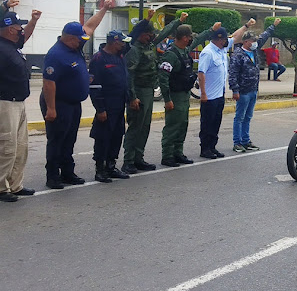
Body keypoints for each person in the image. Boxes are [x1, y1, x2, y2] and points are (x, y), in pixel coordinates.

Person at [40, 0, 113, 189]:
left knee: (69, 139)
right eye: (79, 39)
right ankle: (53, 176)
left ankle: (67, 172)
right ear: (69, 37)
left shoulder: (75, 45)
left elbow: (90, 26)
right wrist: (51, 109)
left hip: (73, 103)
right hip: (58, 103)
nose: (82, 40)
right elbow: (48, 84)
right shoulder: (55, 55)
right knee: (57, 139)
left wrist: (104, 8)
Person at [121, 10, 187, 174]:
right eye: (148, 34)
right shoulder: (134, 49)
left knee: (145, 126)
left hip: (149, 90)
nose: (151, 37)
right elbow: (129, 75)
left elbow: (164, 32)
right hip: (138, 92)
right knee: (136, 126)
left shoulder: (148, 45)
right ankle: (128, 161)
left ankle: (138, 158)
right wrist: (132, 97)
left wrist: (177, 22)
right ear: (141, 34)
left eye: (151, 35)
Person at [158, 20, 218, 167]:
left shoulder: (184, 50)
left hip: (184, 95)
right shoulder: (171, 55)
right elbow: (163, 77)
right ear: (184, 37)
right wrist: (167, 99)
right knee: (172, 126)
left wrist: (211, 29)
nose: (191, 39)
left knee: (182, 124)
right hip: (175, 95)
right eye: (189, 36)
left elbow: (198, 39)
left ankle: (178, 152)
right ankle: (167, 155)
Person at [0, 9, 40, 202]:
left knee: (20, 147)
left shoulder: (13, 46)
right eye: (19, 27)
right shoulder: (1, 49)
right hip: (5, 103)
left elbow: (27, 34)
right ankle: (1, 187)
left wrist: (34, 21)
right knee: (6, 147)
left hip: (19, 102)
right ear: (9, 30)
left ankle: (15, 185)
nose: (21, 30)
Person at [229, 18, 281, 153]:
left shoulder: (254, 51)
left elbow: (264, 36)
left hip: (253, 90)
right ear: (245, 42)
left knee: (248, 117)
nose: (255, 43)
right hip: (243, 91)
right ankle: (237, 142)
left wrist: (273, 26)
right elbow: (233, 73)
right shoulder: (238, 54)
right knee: (239, 117)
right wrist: (235, 90)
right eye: (252, 41)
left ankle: (246, 141)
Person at [197, 23, 247, 159]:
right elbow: (201, 73)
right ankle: (205, 149)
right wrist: (203, 93)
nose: (227, 41)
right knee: (207, 123)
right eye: (225, 39)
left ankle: (212, 147)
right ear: (219, 40)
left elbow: (236, 37)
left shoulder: (221, 49)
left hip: (219, 95)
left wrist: (246, 26)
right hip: (209, 96)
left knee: (216, 122)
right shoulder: (208, 52)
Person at [88, 30, 132, 183]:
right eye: (122, 42)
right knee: (103, 138)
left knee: (116, 136)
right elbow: (94, 86)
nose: (124, 45)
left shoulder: (120, 57)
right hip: (106, 105)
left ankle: (111, 166)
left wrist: (131, 98)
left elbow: (125, 80)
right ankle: (100, 169)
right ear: (114, 42)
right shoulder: (99, 59)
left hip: (119, 104)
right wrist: (100, 109)